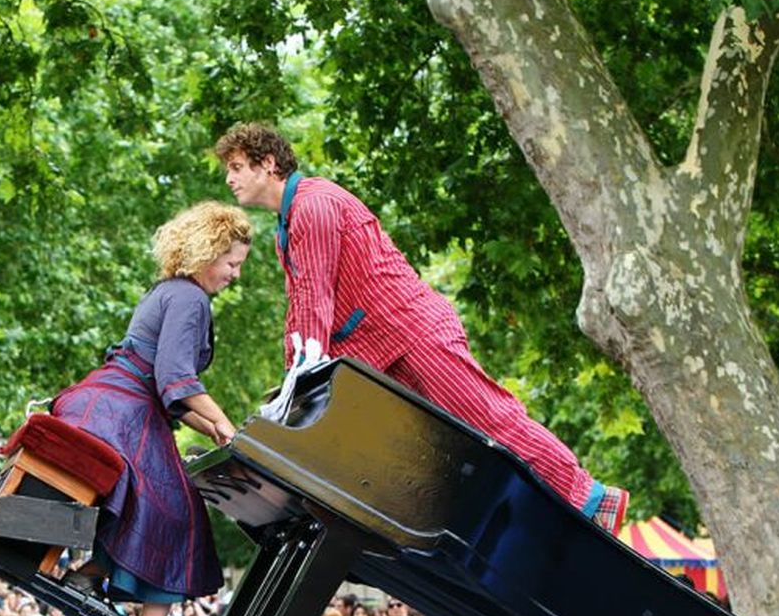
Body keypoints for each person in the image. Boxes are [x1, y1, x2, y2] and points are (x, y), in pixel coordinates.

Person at [215, 122, 628, 533]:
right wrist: (292, 376)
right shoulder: (290, 223)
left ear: (267, 163)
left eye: (236, 167)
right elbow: (304, 304)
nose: (230, 179)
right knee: (432, 452)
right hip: (381, 347)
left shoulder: (314, 205)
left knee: (488, 419)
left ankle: (590, 498)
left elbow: (313, 296)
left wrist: (296, 379)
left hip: (413, 333)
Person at [50, 201, 251, 616]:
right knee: (179, 510)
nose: (236, 274)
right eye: (232, 263)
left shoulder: (169, 291)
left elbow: (173, 396)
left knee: (165, 504)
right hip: (121, 412)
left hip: (107, 403)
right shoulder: (190, 297)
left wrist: (218, 431)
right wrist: (230, 428)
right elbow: (176, 378)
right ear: (207, 252)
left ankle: (94, 575)